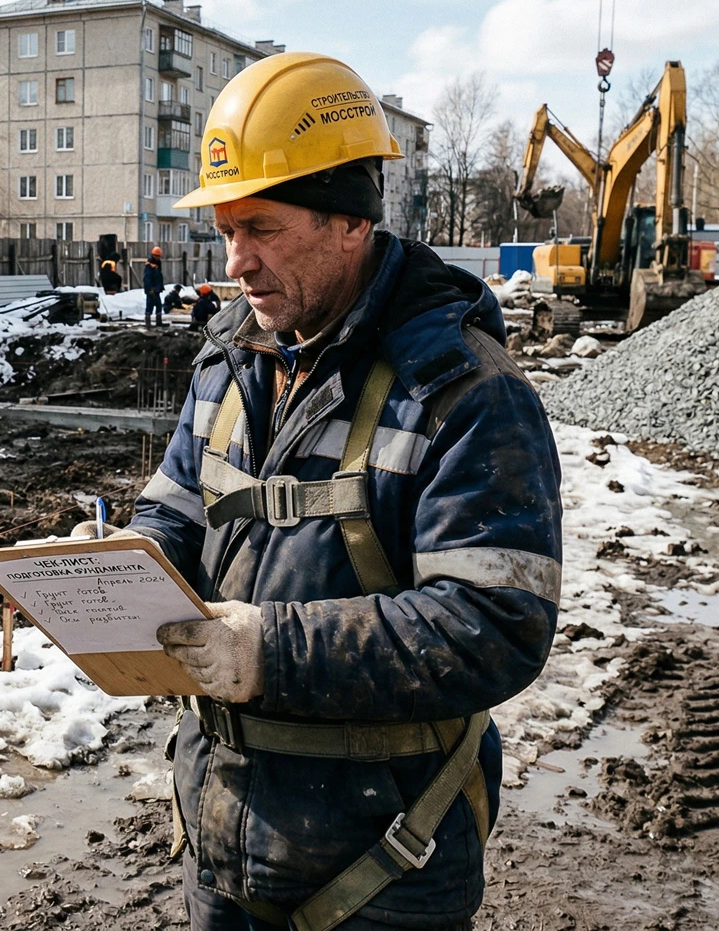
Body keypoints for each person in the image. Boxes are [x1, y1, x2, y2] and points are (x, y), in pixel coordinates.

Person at [77, 52, 561, 931]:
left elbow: (495, 625)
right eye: (226, 231)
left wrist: (269, 650)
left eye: (260, 228)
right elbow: (176, 508)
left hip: (385, 858)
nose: (236, 262)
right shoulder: (229, 362)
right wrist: (115, 576)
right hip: (222, 835)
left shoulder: (463, 389)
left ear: (349, 220)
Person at [144, 246, 167, 326]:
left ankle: (158, 322)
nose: (158, 258)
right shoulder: (149, 265)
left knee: (158, 305)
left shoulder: (157, 264)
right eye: (157, 256)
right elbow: (147, 278)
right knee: (149, 305)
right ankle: (148, 323)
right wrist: (149, 288)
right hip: (151, 289)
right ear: (154, 255)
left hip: (156, 289)